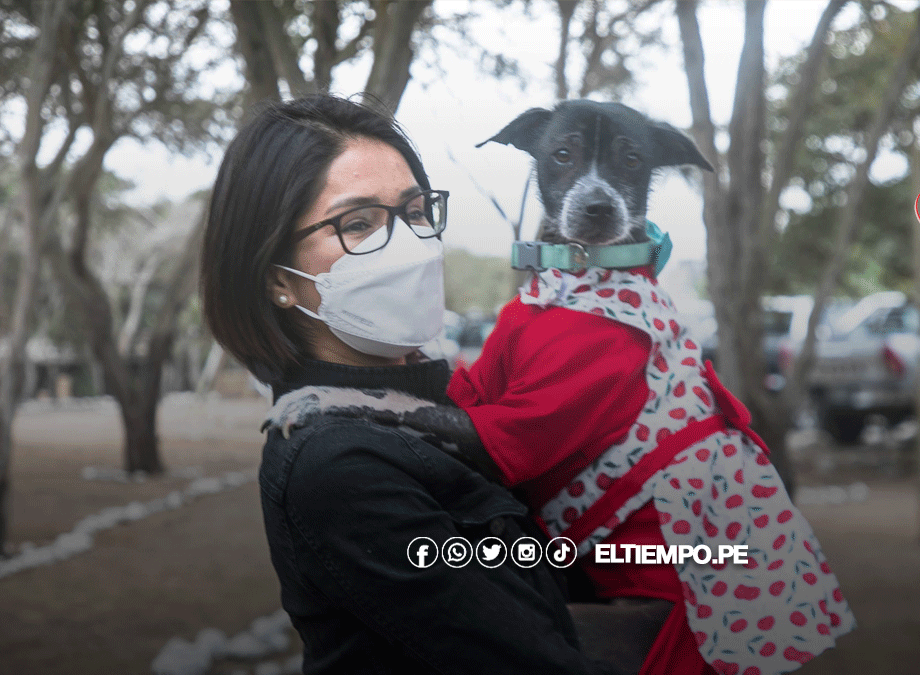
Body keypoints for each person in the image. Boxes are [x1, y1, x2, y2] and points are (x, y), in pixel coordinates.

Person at [200, 93, 624, 675]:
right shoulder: (338, 467)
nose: (408, 244)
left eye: (416, 211)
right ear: (281, 281)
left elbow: (545, 568)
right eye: (357, 224)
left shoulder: (447, 403)